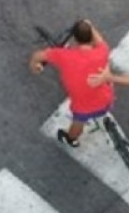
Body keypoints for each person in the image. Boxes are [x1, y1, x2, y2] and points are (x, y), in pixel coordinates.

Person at [28, 19, 114, 148]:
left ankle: (71, 139)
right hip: (105, 99)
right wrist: (89, 25)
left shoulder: (62, 56)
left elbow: (38, 56)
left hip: (82, 105)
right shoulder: (103, 51)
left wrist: (35, 67)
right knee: (106, 73)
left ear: (75, 38)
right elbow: (99, 39)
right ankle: (74, 136)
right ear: (91, 37)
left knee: (78, 122)